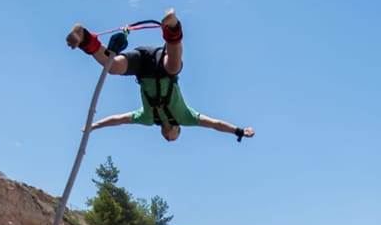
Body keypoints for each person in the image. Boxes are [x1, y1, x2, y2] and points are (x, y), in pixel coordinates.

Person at [66, 9, 255, 143]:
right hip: (162, 65)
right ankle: (172, 27)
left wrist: (94, 126)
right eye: (173, 139)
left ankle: (85, 39)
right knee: (174, 66)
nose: (169, 140)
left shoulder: (147, 119)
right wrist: (238, 131)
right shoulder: (186, 117)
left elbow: (118, 119)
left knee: (113, 67)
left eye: (167, 139)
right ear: (178, 130)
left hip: (143, 66)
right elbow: (215, 124)